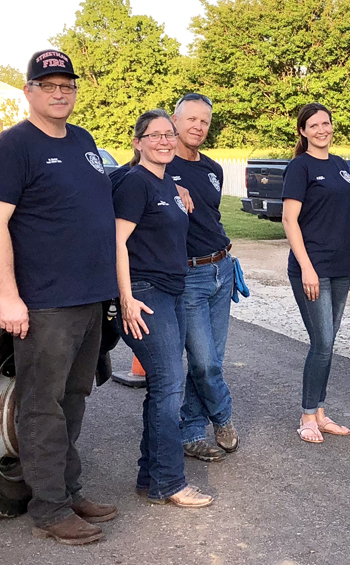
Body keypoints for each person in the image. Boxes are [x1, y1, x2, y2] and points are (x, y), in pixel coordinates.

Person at [0, 49, 118, 545]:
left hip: (89, 298)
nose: (60, 92)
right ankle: (49, 508)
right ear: (29, 91)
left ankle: (67, 489)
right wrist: (9, 297)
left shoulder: (83, 141)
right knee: (41, 404)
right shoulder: (13, 146)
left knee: (74, 399)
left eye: (67, 85)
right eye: (49, 84)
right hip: (46, 302)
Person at [113, 109, 215, 509]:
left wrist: (176, 186)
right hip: (145, 294)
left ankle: (149, 477)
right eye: (154, 136)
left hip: (171, 292)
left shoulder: (166, 181)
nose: (164, 141)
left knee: (162, 387)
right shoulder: (135, 183)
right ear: (138, 142)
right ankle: (169, 483)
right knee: (169, 388)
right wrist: (125, 297)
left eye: (168, 134)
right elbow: (117, 242)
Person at [281, 103, 350, 443]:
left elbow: (345, 220)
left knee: (327, 345)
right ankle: (306, 416)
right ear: (303, 131)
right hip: (311, 269)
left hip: (340, 266)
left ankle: (321, 413)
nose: (321, 130)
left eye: (326, 123)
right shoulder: (300, 167)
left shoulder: (341, 166)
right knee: (322, 343)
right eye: (313, 125)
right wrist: (307, 268)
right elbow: (289, 220)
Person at [168, 93, 239, 462]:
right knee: (204, 361)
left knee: (212, 359)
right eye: (191, 119)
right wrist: (168, 186)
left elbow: (212, 216)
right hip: (189, 276)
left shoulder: (213, 168)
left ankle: (192, 432)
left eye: (204, 121)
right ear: (175, 121)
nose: (198, 126)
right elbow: (125, 184)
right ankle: (223, 416)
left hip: (222, 270)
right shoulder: (159, 165)